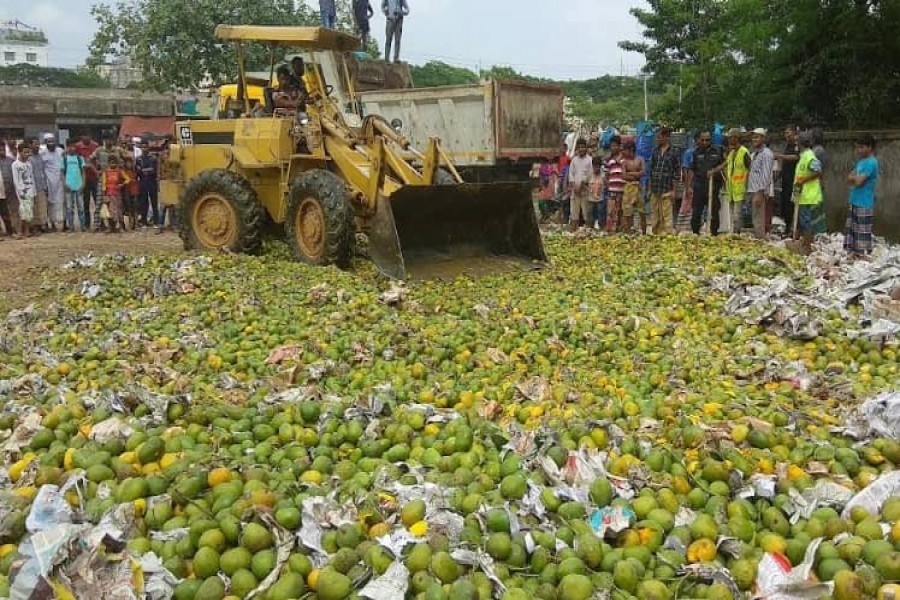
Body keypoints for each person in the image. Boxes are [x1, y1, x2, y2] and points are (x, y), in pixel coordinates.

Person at [843, 134, 879, 257]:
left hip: (865, 201)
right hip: (855, 199)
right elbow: (848, 179)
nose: (859, 150)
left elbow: (858, 182)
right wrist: (854, 178)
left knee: (863, 230)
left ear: (869, 147)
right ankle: (855, 253)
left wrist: (854, 178)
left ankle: (863, 255)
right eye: (858, 148)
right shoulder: (861, 162)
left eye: (861, 147)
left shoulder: (871, 163)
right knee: (853, 229)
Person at [793, 131, 825, 253]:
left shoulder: (809, 156)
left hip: (808, 194)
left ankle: (807, 246)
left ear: (801, 143)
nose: (795, 144)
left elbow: (818, 172)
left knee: (806, 222)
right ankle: (805, 243)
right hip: (802, 194)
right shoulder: (804, 156)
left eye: (797, 141)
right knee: (803, 221)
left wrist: (803, 180)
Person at [688, 131, 725, 235]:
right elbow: (692, 169)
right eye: (702, 140)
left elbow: (724, 165)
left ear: (711, 139)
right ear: (699, 139)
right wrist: (689, 187)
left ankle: (713, 233)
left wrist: (715, 171)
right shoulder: (696, 152)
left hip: (714, 185)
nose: (705, 142)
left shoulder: (718, 151)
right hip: (699, 185)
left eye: (707, 140)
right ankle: (696, 232)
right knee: (696, 211)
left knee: (714, 210)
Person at [647, 127, 679, 235]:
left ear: (666, 137)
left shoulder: (674, 152)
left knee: (667, 215)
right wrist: (650, 188)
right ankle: (656, 234)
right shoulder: (655, 151)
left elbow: (676, 173)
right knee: (655, 215)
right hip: (655, 188)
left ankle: (667, 236)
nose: (657, 139)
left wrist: (674, 191)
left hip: (667, 189)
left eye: (659, 137)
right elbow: (651, 170)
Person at [747, 128, 774, 239]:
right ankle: (759, 239)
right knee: (755, 218)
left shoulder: (766, 154)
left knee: (759, 219)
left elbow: (766, 175)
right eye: (753, 137)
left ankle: (760, 241)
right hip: (753, 190)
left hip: (759, 191)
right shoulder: (755, 154)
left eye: (757, 137)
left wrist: (760, 192)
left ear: (763, 138)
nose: (754, 139)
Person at [723, 129, 751, 233]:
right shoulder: (732, 152)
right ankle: (733, 233)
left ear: (736, 138)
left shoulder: (744, 152)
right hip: (731, 189)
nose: (729, 140)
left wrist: (748, 185)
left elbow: (750, 168)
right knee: (732, 214)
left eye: (731, 137)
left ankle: (736, 234)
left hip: (740, 188)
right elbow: (726, 164)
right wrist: (714, 171)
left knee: (737, 215)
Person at [774, 126, 799, 235]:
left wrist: (781, 156)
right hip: (785, 179)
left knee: (792, 204)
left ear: (794, 133)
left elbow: (797, 157)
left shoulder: (797, 145)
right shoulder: (788, 145)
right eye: (785, 133)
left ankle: (793, 229)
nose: (787, 135)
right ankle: (787, 227)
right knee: (785, 204)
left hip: (794, 180)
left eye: (788, 133)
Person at [567, 138, 593, 232]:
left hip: (585, 189)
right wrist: (574, 186)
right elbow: (571, 174)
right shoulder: (574, 160)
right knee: (574, 211)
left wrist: (582, 185)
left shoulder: (590, 160)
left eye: (583, 147)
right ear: (577, 148)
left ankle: (588, 231)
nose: (581, 149)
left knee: (586, 211)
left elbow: (590, 174)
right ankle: (574, 230)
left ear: (586, 148)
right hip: (575, 190)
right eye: (579, 147)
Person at [41, 134, 65, 231]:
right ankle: (51, 223)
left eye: (53, 141)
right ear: (45, 142)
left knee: (61, 202)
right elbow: (42, 169)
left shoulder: (60, 151)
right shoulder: (42, 153)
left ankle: (63, 223)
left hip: (60, 181)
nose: (51, 143)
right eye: (49, 141)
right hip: (49, 182)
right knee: (50, 203)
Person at [621, 140, 645, 234]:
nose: (624, 152)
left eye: (625, 150)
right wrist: (636, 174)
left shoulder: (640, 159)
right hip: (628, 188)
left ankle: (644, 232)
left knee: (642, 212)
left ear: (631, 150)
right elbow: (624, 176)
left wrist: (631, 173)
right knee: (627, 212)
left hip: (638, 187)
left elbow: (643, 172)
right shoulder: (624, 162)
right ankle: (628, 233)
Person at [61, 141, 87, 232]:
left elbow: (83, 172)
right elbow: (62, 173)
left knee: (81, 207)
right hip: (68, 186)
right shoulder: (64, 159)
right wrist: (64, 183)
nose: (72, 149)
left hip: (79, 185)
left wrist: (83, 183)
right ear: (67, 147)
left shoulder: (80, 159)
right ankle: (71, 226)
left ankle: (83, 226)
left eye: (73, 147)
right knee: (69, 208)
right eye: (70, 147)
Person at [75, 135, 100, 230]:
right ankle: (86, 223)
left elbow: (97, 160)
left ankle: (98, 223)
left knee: (97, 201)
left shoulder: (95, 146)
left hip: (94, 177)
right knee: (85, 202)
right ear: (81, 138)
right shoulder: (78, 146)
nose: (87, 138)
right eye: (84, 137)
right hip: (83, 177)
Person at [12, 143, 35, 239]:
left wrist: (34, 191)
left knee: (28, 212)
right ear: (19, 152)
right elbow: (16, 180)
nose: (27, 154)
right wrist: (20, 192)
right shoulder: (15, 165)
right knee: (22, 212)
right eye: (25, 152)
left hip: (30, 190)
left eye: (28, 152)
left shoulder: (29, 164)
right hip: (22, 192)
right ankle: (19, 232)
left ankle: (27, 231)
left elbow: (32, 177)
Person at [136, 142, 160, 227]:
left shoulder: (153, 158)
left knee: (154, 203)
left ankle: (156, 222)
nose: (144, 149)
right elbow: (138, 171)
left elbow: (153, 170)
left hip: (152, 182)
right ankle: (144, 222)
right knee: (143, 203)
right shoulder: (138, 159)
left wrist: (144, 170)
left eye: (145, 147)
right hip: (143, 182)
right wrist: (146, 170)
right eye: (143, 147)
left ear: (148, 148)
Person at [604, 136, 625, 233]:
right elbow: (606, 174)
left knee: (620, 211)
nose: (613, 148)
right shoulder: (609, 159)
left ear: (620, 146)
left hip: (622, 189)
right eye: (612, 146)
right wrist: (607, 184)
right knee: (611, 211)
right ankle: (610, 231)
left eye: (616, 146)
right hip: (612, 189)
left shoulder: (625, 158)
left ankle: (620, 230)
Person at [29, 138, 49, 233]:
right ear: (30, 145)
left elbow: (43, 172)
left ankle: (42, 225)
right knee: (34, 208)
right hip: (32, 187)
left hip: (41, 186)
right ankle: (35, 227)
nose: (37, 146)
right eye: (35, 144)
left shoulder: (40, 157)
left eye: (38, 144)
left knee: (42, 207)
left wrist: (45, 186)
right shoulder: (28, 158)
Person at [100, 156, 124, 232]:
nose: (113, 164)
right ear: (108, 163)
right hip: (109, 194)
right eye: (111, 163)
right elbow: (104, 183)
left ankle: (120, 227)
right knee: (110, 211)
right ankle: (111, 227)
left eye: (114, 163)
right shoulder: (106, 172)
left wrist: (122, 184)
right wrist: (104, 195)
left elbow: (128, 179)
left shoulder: (119, 171)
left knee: (118, 210)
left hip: (117, 194)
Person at [0, 142, 18, 237]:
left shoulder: (11, 161)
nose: (1, 152)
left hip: (10, 190)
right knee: (4, 212)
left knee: (9, 212)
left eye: (3, 149)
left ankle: (12, 230)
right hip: (0, 191)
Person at [537, 157, 558, 221]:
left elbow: (554, 177)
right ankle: (545, 215)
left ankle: (546, 215)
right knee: (541, 201)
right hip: (544, 185)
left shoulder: (552, 167)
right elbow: (540, 176)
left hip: (549, 185)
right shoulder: (542, 167)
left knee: (545, 201)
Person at [122, 156, 140, 230]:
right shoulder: (123, 172)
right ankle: (130, 223)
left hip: (135, 190)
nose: (129, 164)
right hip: (127, 190)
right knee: (129, 208)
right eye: (127, 162)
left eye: (130, 162)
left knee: (135, 208)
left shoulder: (135, 171)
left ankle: (136, 224)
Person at [588, 157, 604, 229]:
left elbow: (607, 185)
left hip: (600, 199)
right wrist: (588, 190)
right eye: (594, 166)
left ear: (600, 166)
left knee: (600, 213)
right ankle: (591, 228)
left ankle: (600, 227)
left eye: (598, 166)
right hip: (590, 199)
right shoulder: (589, 174)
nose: (596, 168)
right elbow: (584, 183)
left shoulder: (603, 175)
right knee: (590, 213)